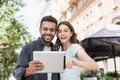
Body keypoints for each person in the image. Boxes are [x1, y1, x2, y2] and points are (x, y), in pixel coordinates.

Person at [13, 15, 60, 80]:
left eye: (52, 30)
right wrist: (29, 70)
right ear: (40, 30)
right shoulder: (29, 47)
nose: (48, 32)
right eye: (45, 29)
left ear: (55, 32)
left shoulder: (56, 51)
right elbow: (16, 72)